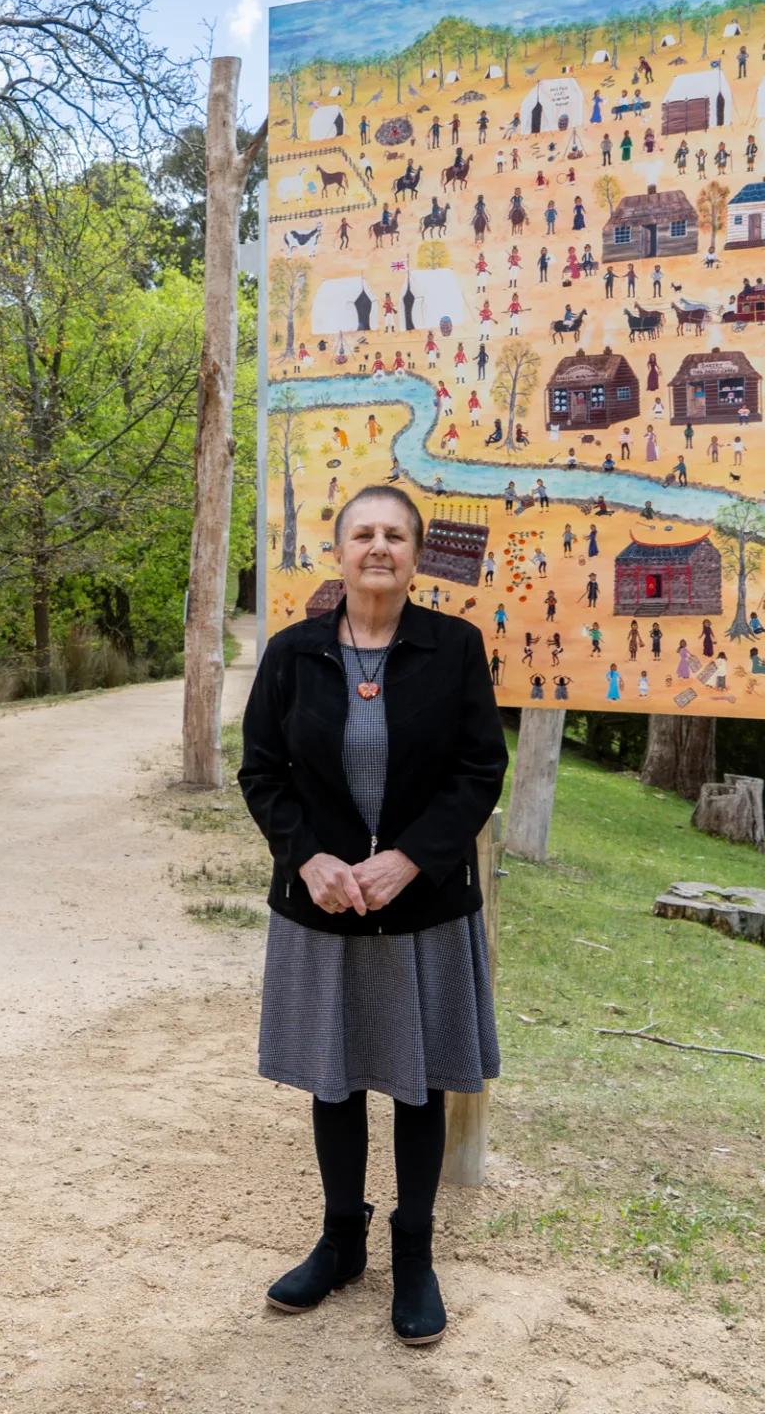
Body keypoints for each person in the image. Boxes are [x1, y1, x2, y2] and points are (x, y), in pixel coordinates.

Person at [240, 486, 507, 1346]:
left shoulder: (455, 648)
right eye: (364, 533)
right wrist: (308, 856)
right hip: (323, 903)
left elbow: (478, 771)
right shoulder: (292, 654)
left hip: (421, 905)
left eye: (395, 534)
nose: (379, 547)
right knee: (336, 1073)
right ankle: (341, 1241)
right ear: (339, 549)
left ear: (416, 553)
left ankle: (415, 1254)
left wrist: (410, 859)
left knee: (418, 1079)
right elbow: (261, 773)